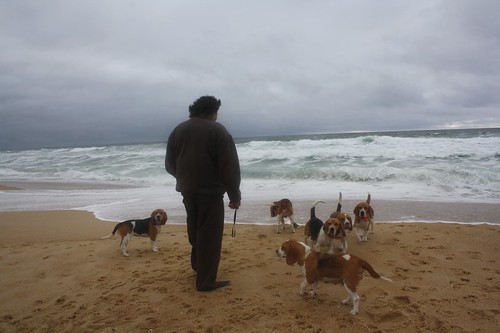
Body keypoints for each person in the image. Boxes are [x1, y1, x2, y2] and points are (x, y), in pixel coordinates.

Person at [165, 95, 241, 291]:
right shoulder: (218, 130)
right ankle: (206, 282)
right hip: (210, 193)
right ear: (213, 112)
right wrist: (234, 196)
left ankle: (199, 268)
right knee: (210, 236)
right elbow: (229, 168)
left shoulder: (178, 130)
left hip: (188, 191)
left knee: (196, 231)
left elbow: (169, 165)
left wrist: (185, 179)